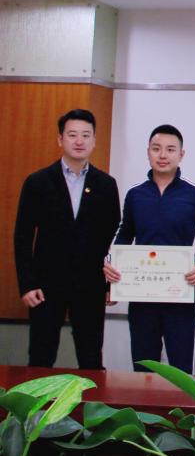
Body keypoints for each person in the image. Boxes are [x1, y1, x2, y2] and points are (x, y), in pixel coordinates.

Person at [104, 124, 195, 374]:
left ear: (181, 154)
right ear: (148, 152)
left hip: (181, 295)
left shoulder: (194, 194)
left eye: (170, 149)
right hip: (142, 294)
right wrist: (112, 270)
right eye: (156, 149)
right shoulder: (135, 195)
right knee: (144, 366)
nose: (163, 155)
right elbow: (124, 235)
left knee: (181, 370)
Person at [14, 109, 121, 369]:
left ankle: (93, 398)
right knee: (41, 357)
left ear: (94, 140)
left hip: (90, 285)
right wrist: (27, 284)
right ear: (60, 139)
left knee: (91, 359)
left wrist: (112, 286)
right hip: (45, 286)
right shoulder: (38, 182)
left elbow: (114, 237)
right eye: (72, 135)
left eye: (86, 135)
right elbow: (22, 236)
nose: (79, 141)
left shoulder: (106, 184)